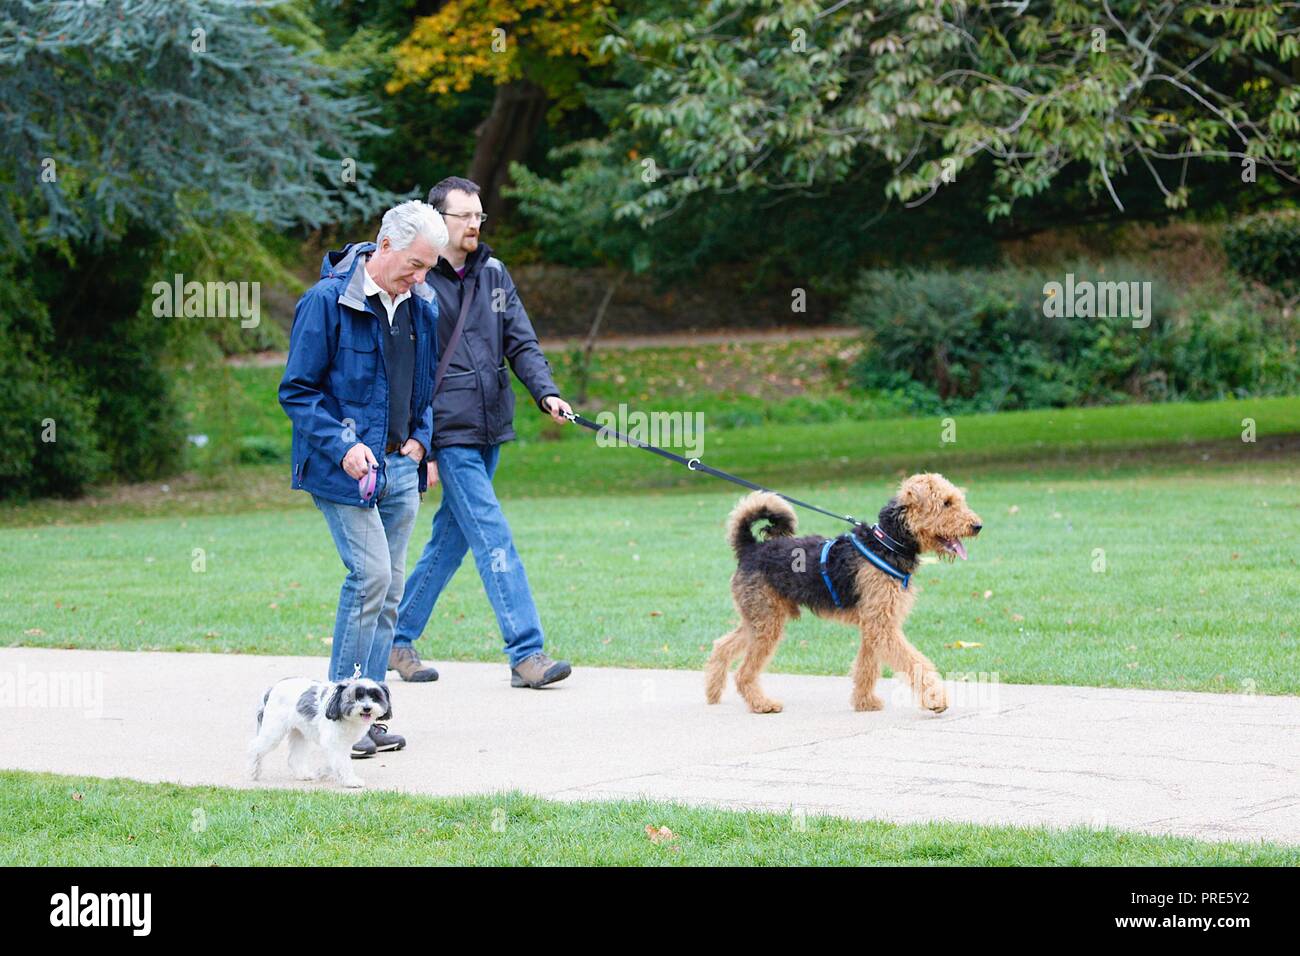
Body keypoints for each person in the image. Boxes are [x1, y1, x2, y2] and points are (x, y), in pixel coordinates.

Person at [389, 176, 575, 689]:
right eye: (464, 216)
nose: (474, 224)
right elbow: (410, 368)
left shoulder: (493, 274)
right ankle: (526, 653)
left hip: (492, 424)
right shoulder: (418, 283)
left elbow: (521, 341)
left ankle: (395, 638)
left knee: (450, 540)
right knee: (494, 535)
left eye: (478, 216)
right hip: (448, 433)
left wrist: (546, 392)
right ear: (437, 220)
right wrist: (419, 443)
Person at [279, 200, 448, 756]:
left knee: (391, 588)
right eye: (416, 264)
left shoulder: (420, 306)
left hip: (402, 466)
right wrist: (345, 445)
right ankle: (337, 716)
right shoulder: (326, 302)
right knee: (370, 577)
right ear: (385, 246)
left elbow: (425, 389)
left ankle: (367, 719)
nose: (423, 278)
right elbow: (297, 391)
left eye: (429, 267)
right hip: (342, 469)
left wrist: (422, 441)